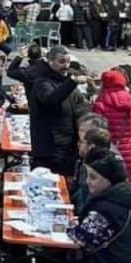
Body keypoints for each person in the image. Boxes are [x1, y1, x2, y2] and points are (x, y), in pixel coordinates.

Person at [90, 70, 131, 214]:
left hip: (110, 150)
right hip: (129, 150)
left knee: (109, 184)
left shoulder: (101, 102)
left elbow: (97, 131)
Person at [27, 46, 83, 176]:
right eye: (62, 62)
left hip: (66, 146)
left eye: (68, 62)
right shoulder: (42, 82)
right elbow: (50, 100)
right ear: (50, 61)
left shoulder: (65, 82)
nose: (66, 66)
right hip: (50, 148)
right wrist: (72, 82)